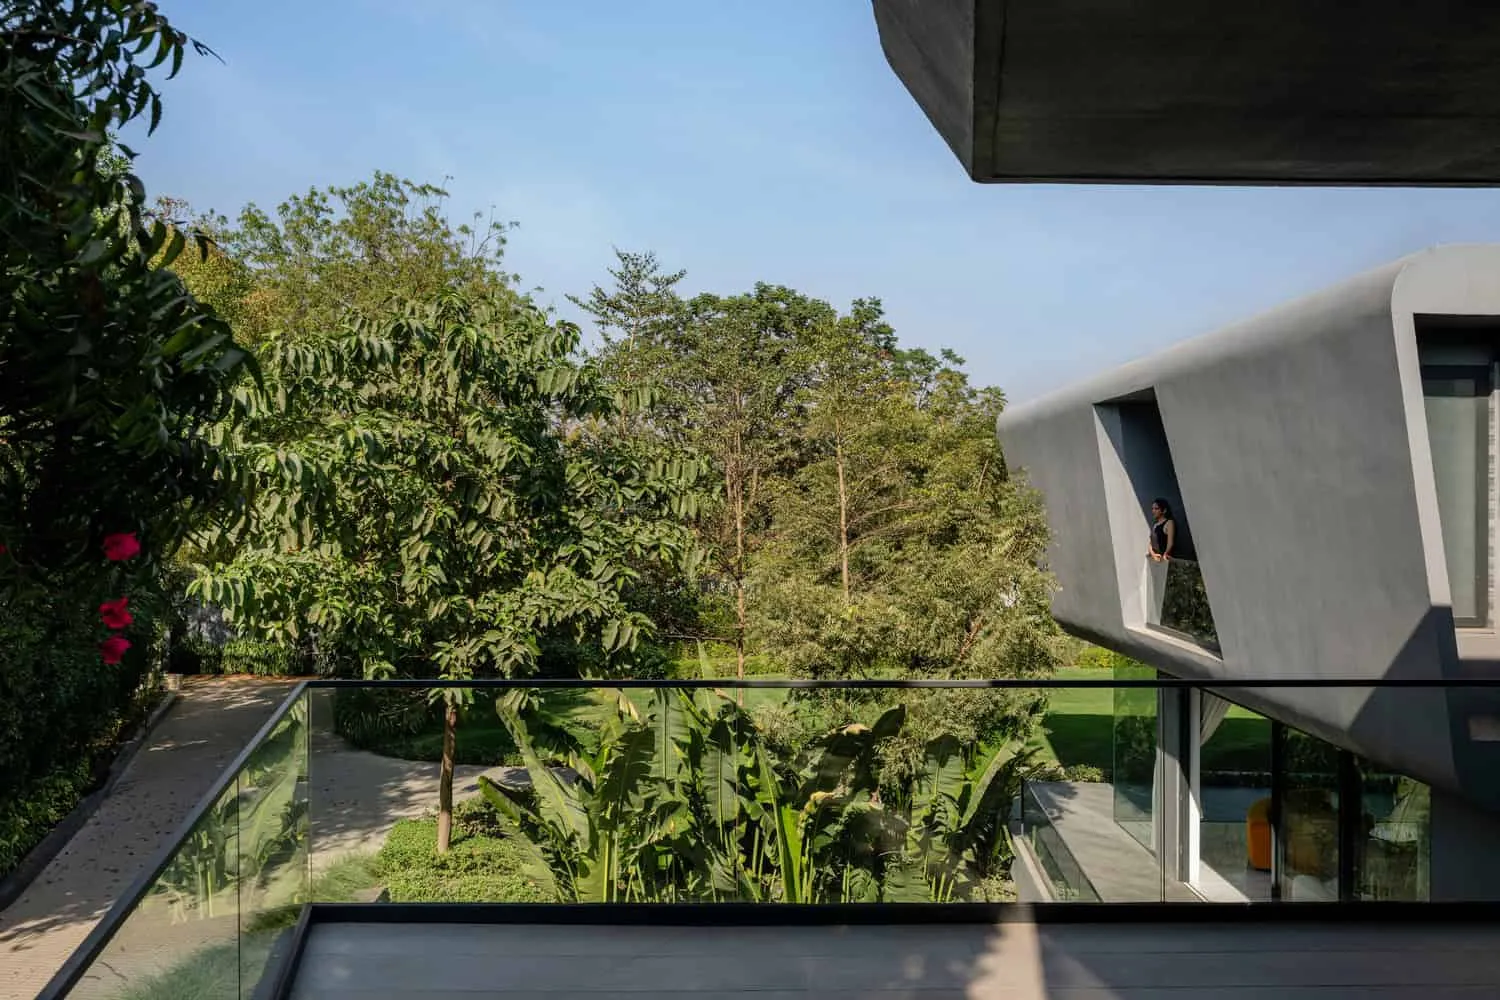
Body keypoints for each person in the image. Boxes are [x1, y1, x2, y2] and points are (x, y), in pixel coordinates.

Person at [1148, 497, 1175, 562]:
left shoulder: (1169, 523)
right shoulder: (1155, 524)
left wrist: (1165, 554)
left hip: (1163, 559)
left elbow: (1170, 543)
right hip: (1155, 558)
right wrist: (1153, 554)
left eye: (1156, 508)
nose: (1153, 511)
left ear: (1164, 510)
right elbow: (1150, 543)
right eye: (1152, 508)